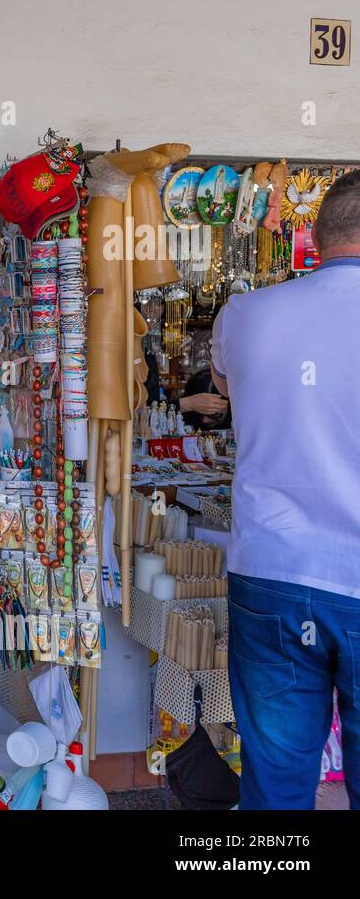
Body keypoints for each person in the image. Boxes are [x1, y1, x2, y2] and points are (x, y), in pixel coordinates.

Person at [212, 169, 360, 809]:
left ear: (318, 237)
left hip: (274, 571)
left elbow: (221, 388)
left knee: (274, 781)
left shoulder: (248, 314)